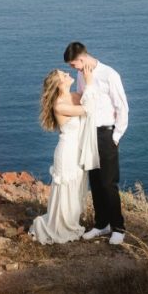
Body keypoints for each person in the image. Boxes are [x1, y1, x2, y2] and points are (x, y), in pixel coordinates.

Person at [64, 41, 128, 245]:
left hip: (106, 133)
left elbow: (122, 108)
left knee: (109, 183)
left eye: (74, 65)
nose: (73, 69)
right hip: (89, 133)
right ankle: (102, 224)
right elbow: (84, 99)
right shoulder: (81, 75)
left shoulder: (110, 75)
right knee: (95, 182)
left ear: (81, 59)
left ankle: (118, 227)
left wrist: (116, 137)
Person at [28, 69, 100, 244]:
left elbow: (92, 99)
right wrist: (89, 81)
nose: (68, 74)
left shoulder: (75, 96)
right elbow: (88, 108)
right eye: (64, 75)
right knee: (66, 188)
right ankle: (60, 226)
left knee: (76, 188)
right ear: (59, 84)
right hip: (67, 152)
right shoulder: (59, 104)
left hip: (78, 151)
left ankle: (71, 221)